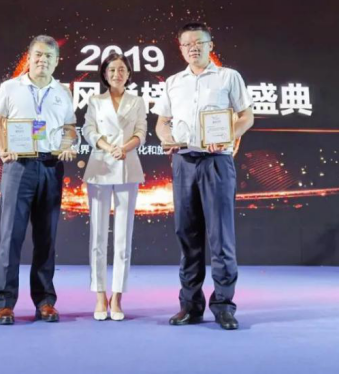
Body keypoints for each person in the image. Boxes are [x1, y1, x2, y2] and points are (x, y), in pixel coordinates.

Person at [153, 23, 254, 330]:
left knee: (221, 236)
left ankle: (223, 304)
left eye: (199, 42)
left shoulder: (229, 77)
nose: (193, 48)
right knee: (187, 235)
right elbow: (162, 122)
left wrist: (227, 136)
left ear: (211, 45)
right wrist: (165, 137)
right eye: (187, 44)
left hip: (217, 162)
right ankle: (190, 305)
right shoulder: (173, 82)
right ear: (181, 49)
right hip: (184, 161)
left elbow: (246, 116)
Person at [0, 34, 77, 325]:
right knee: (11, 236)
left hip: (51, 167)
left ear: (57, 61)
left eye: (49, 56)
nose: (43, 60)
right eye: (38, 55)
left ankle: (45, 301)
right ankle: (4, 303)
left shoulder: (63, 92)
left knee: (46, 237)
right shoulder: (10, 88)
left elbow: (70, 128)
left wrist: (67, 144)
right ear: (29, 58)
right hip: (19, 167)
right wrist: (3, 147)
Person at [82, 53, 147, 321]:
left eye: (121, 69)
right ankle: (100, 294)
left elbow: (141, 132)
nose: (116, 74)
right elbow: (88, 130)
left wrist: (125, 148)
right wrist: (109, 147)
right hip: (100, 166)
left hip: (127, 166)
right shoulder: (95, 101)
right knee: (98, 235)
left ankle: (117, 296)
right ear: (104, 74)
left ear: (129, 74)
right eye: (111, 69)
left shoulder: (137, 101)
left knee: (123, 236)